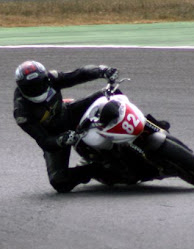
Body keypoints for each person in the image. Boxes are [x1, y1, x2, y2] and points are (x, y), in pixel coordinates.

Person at [13, 60, 119, 193]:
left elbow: (79, 74)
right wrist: (60, 140)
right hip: (54, 135)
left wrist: (102, 71)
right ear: (22, 87)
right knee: (59, 182)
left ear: (45, 79)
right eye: (31, 87)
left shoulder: (52, 78)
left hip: (68, 114)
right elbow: (43, 141)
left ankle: (142, 124)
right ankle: (98, 168)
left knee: (111, 93)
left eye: (39, 84)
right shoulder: (22, 113)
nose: (37, 88)